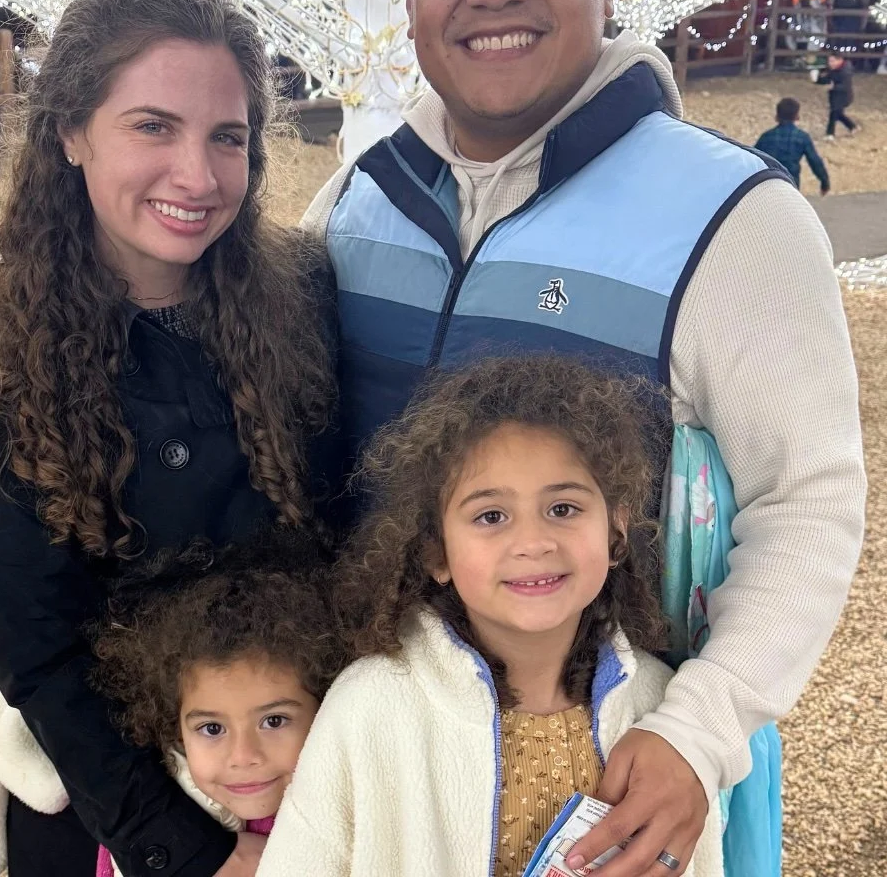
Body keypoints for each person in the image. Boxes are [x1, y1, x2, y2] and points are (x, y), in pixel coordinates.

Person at [302, 0, 865, 872]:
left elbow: (811, 503)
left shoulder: (732, 220)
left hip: (610, 789)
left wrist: (698, 734)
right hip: (381, 784)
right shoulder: (351, 207)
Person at [0, 0, 341, 877]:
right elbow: (40, 655)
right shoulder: (3, 372)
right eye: (153, 126)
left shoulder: (306, 298)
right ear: (72, 131)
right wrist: (189, 854)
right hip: (128, 772)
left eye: (226, 137)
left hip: (311, 738)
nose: (196, 175)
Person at [258, 357, 723, 877]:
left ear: (616, 530)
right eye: (491, 516)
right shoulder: (369, 708)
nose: (532, 542)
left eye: (563, 508)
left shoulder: (661, 709)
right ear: (436, 552)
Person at [0, 541, 344, 877]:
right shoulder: (161, 810)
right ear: (172, 728)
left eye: (274, 720)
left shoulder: (347, 809)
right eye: (212, 729)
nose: (243, 755)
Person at [754, 98, 830, 194]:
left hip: (769, 184)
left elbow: (753, 159)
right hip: (791, 183)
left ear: (777, 116)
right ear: (797, 116)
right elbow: (814, 161)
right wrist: (824, 182)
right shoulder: (802, 137)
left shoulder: (766, 137)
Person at [813, 52, 858, 140]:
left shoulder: (846, 71)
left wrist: (833, 87)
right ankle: (853, 127)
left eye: (832, 61)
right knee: (838, 114)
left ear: (840, 60)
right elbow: (828, 79)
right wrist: (817, 79)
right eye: (829, 61)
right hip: (835, 95)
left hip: (843, 96)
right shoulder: (834, 68)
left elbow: (845, 86)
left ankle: (830, 134)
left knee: (834, 113)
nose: (830, 63)